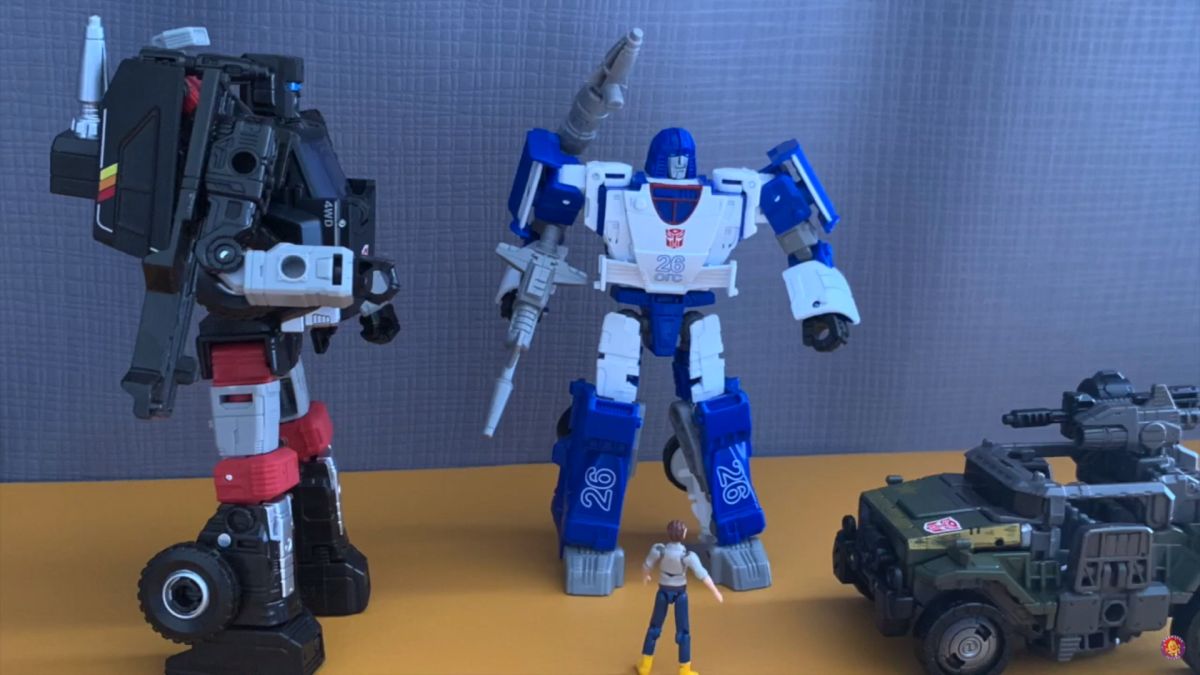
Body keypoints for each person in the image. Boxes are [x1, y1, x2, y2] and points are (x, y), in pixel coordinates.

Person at [636, 520, 724, 675]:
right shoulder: (687, 556)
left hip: (663, 591)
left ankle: (645, 665)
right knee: (683, 632)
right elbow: (702, 574)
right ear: (683, 534)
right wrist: (715, 591)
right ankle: (685, 669)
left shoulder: (660, 550)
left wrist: (646, 577)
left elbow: (646, 565)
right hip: (680, 593)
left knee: (654, 628)